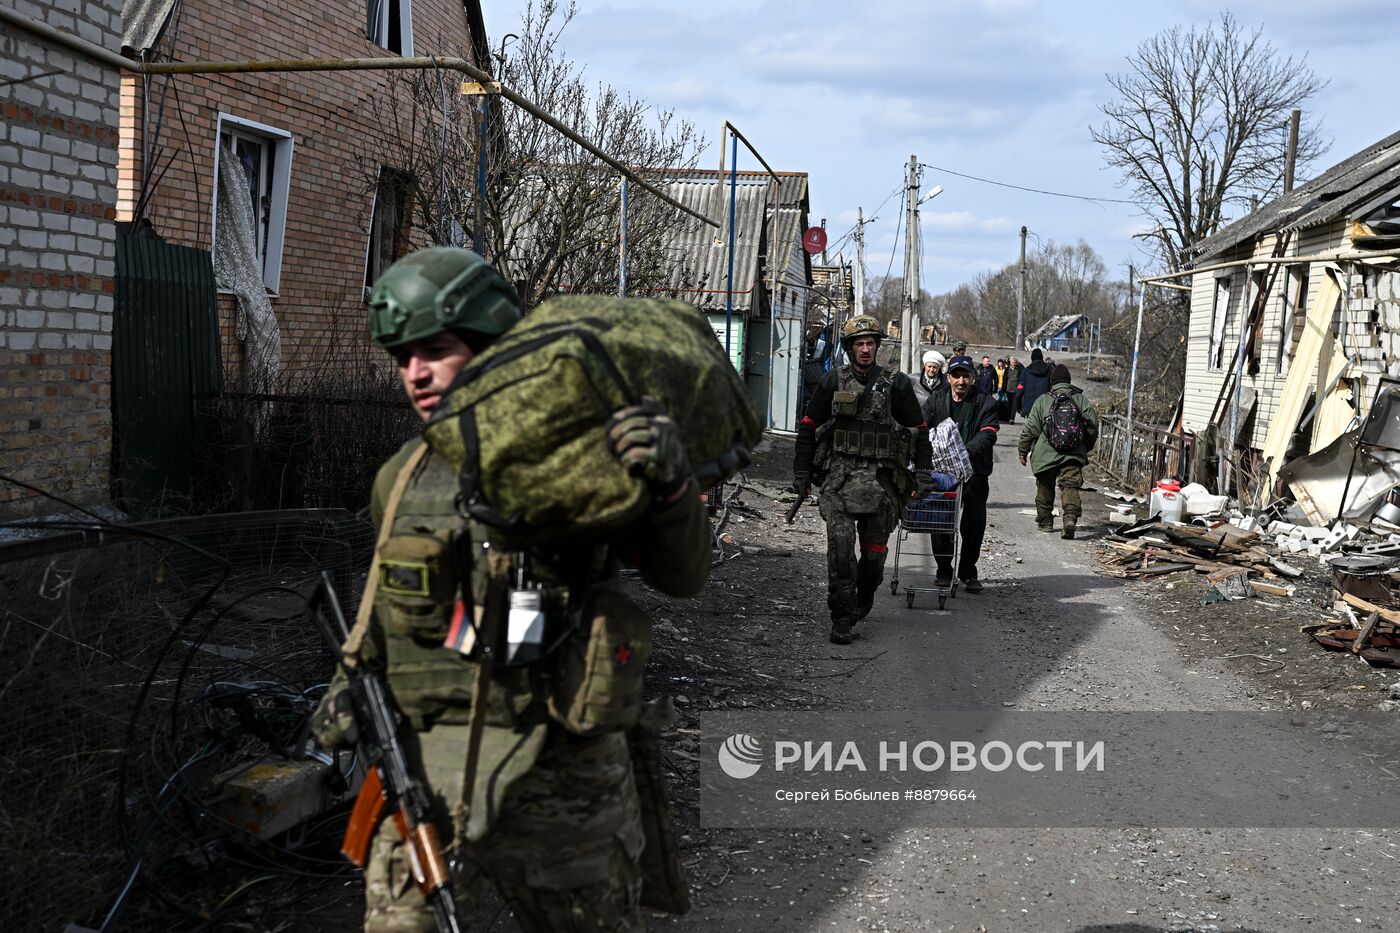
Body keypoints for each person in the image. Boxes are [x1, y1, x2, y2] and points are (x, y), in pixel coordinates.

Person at [312, 247, 711, 933]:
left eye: (435, 349)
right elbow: (384, 612)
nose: (415, 373)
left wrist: (673, 488)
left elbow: (683, 575)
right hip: (428, 764)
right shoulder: (402, 477)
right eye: (403, 356)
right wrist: (343, 696)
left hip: (560, 768)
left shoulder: (584, 461)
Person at [793, 314, 933, 644]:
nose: (866, 349)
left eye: (871, 343)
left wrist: (923, 472)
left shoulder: (896, 384)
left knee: (872, 557)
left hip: (882, 483)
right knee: (841, 554)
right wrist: (801, 473)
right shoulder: (832, 381)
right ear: (850, 348)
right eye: (860, 343)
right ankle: (841, 618)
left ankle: (864, 595)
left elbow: (920, 431)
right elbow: (809, 426)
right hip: (839, 481)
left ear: (877, 347)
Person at [921, 354, 998, 591]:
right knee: (941, 523)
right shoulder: (936, 401)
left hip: (974, 473)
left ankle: (968, 571)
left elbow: (988, 433)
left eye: (966, 376)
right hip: (943, 475)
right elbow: (921, 428)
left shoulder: (986, 403)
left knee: (974, 525)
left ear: (973, 378)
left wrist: (963, 452)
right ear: (949, 378)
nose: (961, 381)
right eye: (957, 376)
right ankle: (944, 569)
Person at [1018, 363, 1100, 540]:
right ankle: (1069, 519)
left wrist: (1023, 450)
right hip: (1073, 453)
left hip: (1045, 454)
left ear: (1052, 382)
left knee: (1045, 487)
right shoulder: (1080, 400)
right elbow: (1093, 425)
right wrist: (1086, 446)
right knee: (1069, 485)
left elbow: (1031, 428)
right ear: (1069, 382)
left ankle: (1046, 522)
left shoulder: (1043, 400)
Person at [1017, 348, 1053, 419]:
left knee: (1032, 428)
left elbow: (1020, 390)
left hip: (1029, 407)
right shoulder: (1049, 370)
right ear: (1042, 357)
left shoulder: (1026, 371)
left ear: (1032, 358)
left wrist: (1018, 406)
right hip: (1045, 406)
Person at [912, 349, 946, 415]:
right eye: (929, 366)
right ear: (924, 366)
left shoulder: (946, 381)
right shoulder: (913, 379)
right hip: (917, 419)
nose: (932, 370)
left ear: (939, 368)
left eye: (935, 367)